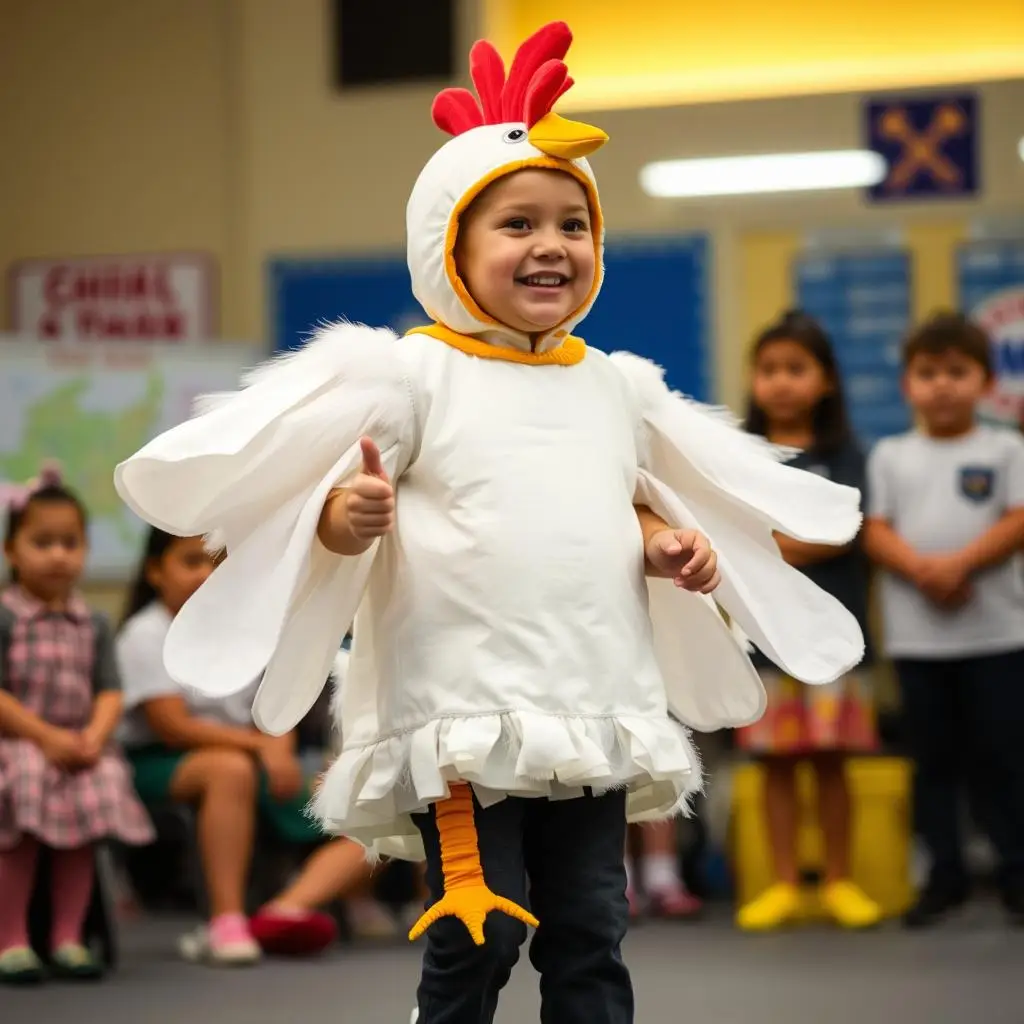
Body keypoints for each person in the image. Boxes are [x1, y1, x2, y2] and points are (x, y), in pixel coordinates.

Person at [114, 21, 864, 1024]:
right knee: (483, 932)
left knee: (592, 934)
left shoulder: (612, 386)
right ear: (447, 244)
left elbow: (628, 505)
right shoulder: (412, 372)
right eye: (517, 223)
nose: (552, 244)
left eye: (573, 223)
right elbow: (324, 519)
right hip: (461, 723)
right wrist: (349, 512)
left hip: (592, 707)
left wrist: (667, 541)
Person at [116, 527, 384, 963]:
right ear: (154, 571)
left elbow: (275, 706)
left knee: (369, 799)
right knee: (228, 771)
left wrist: (276, 747)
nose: (205, 575)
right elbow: (172, 726)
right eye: (190, 562)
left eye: (216, 564)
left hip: (246, 756)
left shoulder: (245, 631)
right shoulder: (145, 633)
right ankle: (227, 920)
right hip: (160, 762)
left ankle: (284, 910)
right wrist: (259, 748)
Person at [863, 311, 1024, 928]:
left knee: (1003, 758)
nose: (943, 385)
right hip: (919, 642)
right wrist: (924, 571)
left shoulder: (1004, 449)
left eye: (958, 372)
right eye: (928, 373)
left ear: (985, 382)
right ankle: (944, 877)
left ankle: (1014, 872)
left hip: (998, 636)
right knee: (932, 765)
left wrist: (957, 566)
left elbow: (1014, 518)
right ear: (908, 385)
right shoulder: (891, 455)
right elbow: (875, 529)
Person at [733, 311, 882, 931]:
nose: (782, 382)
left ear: (826, 382)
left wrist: (765, 546)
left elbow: (839, 531)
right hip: (765, 641)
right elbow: (727, 526)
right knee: (775, 767)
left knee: (830, 763)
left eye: (797, 369)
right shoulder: (738, 453)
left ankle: (841, 881)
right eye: (769, 370)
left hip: (830, 641)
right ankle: (786, 883)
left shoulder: (843, 454)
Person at [0, 466, 153, 984]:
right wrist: (44, 738)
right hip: (18, 740)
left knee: (98, 788)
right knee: (22, 787)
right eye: (42, 542)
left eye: (70, 542)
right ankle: (13, 941)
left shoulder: (94, 622)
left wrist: (92, 736)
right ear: (11, 551)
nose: (58, 554)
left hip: (77, 742)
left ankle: (68, 938)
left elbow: (110, 690)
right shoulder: (6, 616)